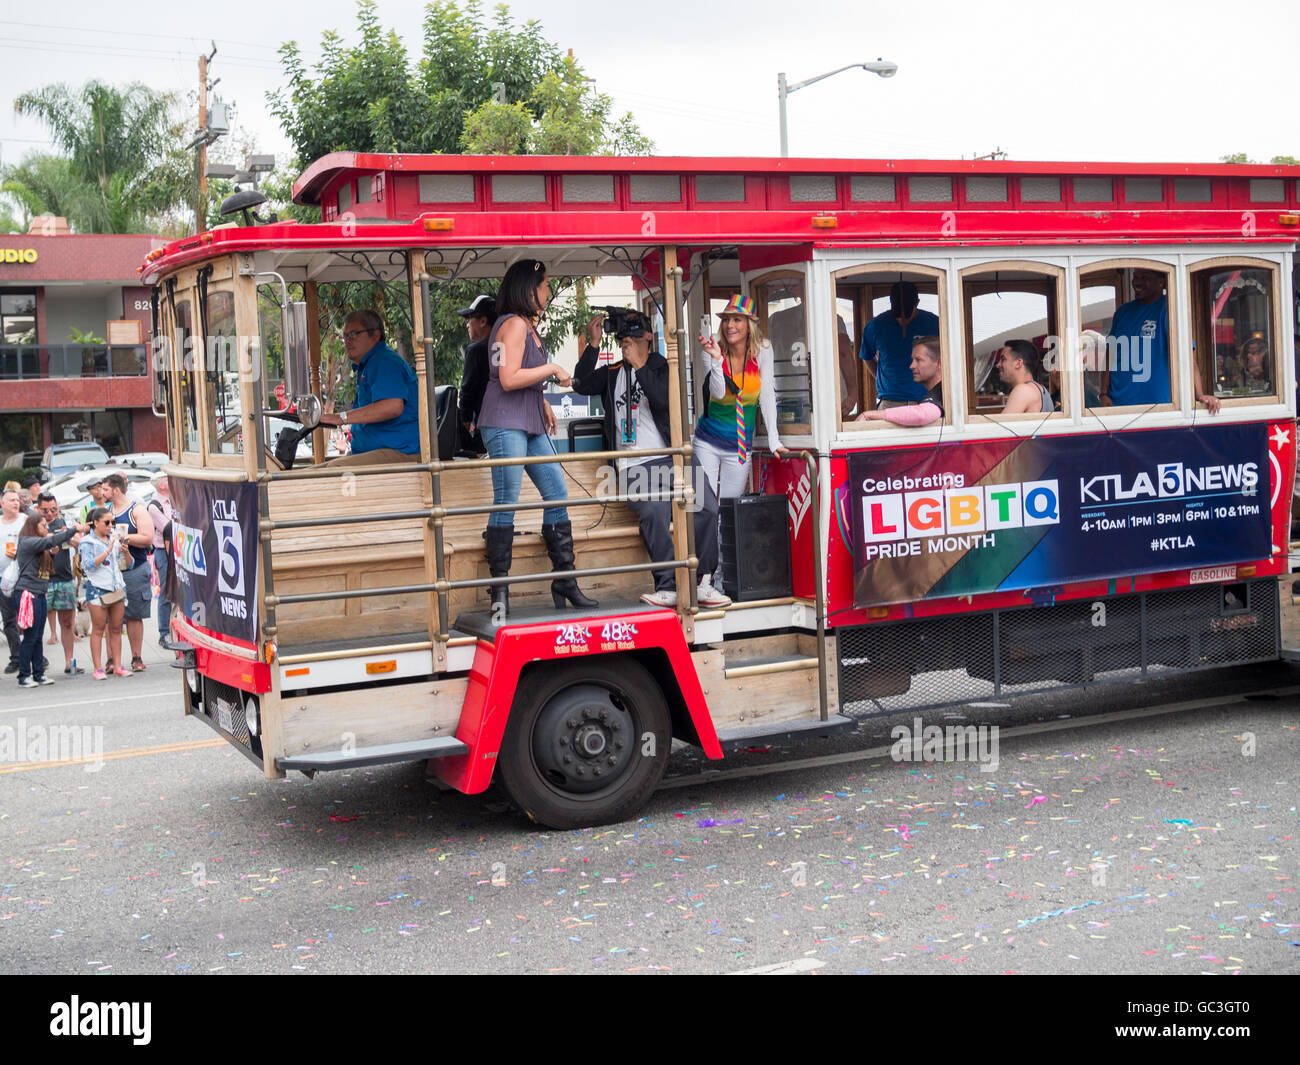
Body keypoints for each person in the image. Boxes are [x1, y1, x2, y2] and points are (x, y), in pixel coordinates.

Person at [572, 309, 731, 608]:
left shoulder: (662, 365)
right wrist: (593, 346)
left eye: (632, 337)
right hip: (633, 464)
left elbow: (663, 400)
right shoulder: (613, 372)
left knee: (708, 507)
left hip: (672, 458)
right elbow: (579, 384)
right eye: (621, 339)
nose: (626, 344)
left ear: (648, 336)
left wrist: (641, 365)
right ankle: (668, 586)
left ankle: (703, 582)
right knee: (654, 512)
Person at [476, 258, 594, 616]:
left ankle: (564, 579)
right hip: (504, 420)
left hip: (525, 417)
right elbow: (508, 378)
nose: (546, 292)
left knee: (557, 490)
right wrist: (553, 369)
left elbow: (508, 373)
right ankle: (500, 590)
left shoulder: (521, 324)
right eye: (544, 286)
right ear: (529, 288)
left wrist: (540, 398)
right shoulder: (512, 324)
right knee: (507, 498)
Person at [694, 294, 786, 585]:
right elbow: (719, 393)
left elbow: (767, 395)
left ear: (749, 325)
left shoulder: (763, 351)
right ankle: (703, 577)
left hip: (740, 445)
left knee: (730, 511)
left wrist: (774, 440)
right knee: (704, 508)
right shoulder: (712, 349)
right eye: (727, 320)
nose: (731, 325)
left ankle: (724, 576)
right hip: (707, 441)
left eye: (737, 319)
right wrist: (717, 360)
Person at [317, 310, 422, 466]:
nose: (347, 341)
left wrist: (341, 417)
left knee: (333, 470)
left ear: (375, 335)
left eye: (353, 334)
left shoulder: (384, 361)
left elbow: (393, 406)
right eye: (344, 336)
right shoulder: (369, 365)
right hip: (376, 451)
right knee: (307, 474)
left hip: (401, 452)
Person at [9, 512, 88, 686]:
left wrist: (51, 554)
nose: (46, 528)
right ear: (33, 527)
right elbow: (50, 540)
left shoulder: (38, 545)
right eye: (43, 525)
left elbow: (45, 562)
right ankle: (24, 676)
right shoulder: (28, 541)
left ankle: (38, 673)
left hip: (39, 593)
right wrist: (74, 529)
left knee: (37, 636)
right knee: (29, 637)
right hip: (27, 594)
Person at [860, 282, 941, 407]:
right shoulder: (875, 326)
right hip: (890, 401)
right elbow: (867, 356)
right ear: (891, 303)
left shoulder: (936, 324)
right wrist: (881, 378)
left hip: (927, 400)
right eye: (897, 313)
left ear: (917, 303)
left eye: (907, 314)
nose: (902, 319)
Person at [103, 472, 154, 672]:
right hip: (110, 571)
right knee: (109, 615)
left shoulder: (137, 509)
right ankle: (111, 659)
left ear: (116, 490)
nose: (102, 492)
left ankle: (136, 657)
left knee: (134, 614)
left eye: (106, 489)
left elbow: (148, 537)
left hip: (134, 568)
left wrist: (123, 538)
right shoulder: (105, 511)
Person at [78, 507, 130, 679]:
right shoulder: (87, 542)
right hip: (98, 588)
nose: (110, 526)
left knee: (115, 629)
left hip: (116, 587)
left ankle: (117, 665)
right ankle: (98, 668)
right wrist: (108, 549)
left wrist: (125, 551)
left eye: (112, 522)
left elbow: (128, 564)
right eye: (107, 522)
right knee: (98, 629)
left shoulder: (114, 539)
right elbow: (89, 565)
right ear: (95, 523)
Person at [36, 493, 82, 674]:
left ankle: (69, 662)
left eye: (53, 510)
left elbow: (78, 541)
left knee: (67, 623)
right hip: (42, 580)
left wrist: (68, 538)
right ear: (38, 508)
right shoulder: (34, 525)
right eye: (45, 510)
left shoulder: (63, 523)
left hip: (64, 578)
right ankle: (37, 663)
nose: (49, 514)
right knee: (37, 624)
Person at [856, 336, 944, 426]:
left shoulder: (943, 392)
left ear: (939, 363)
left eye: (918, 360)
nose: (911, 366)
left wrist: (869, 415)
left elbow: (922, 415)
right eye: (912, 360)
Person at [456, 293, 496, 456]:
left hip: (486, 427)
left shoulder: (476, 350)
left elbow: (468, 390)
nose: (467, 325)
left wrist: (464, 421)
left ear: (483, 320)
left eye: (469, 319)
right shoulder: (509, 345)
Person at [146, 473, 176, 649]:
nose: (169, 479)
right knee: (166, 590)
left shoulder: (174, 500)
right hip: (163, 551)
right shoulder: (154, 506)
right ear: (160, 485)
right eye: (166, 478)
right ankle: (164, 632)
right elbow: (168, 527)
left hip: (178, 548)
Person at [1, 487, 26, 674]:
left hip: (24, 575)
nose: (16, 503)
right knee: (9, 619)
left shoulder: (25, 521)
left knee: (27, 617)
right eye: (11, 500)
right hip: (3, 577)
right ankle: (16, 657)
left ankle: (34, 654)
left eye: (17, 500)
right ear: (2, 504)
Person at [997, 339, 1054, 414]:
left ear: (1018, 363)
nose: (998, 365)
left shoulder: (1023, 390)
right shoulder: (1040, 389)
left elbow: (1000, 425)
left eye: (1003, 359)